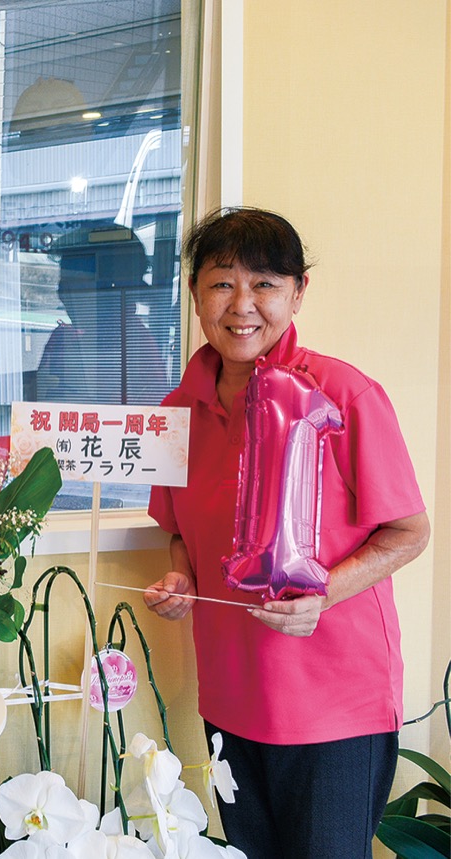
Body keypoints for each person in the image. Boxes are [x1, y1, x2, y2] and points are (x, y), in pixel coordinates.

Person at [143, 208, 430, 859]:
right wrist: (182, 575)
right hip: (230, 700)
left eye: (265, 283)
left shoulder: (342, 394)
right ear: (194, 293)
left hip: (336, 705)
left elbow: (410, 531)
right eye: (221, 283)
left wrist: (325, 591)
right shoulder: (175, 413)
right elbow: (180, 532)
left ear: (298, 291)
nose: (242, 305)